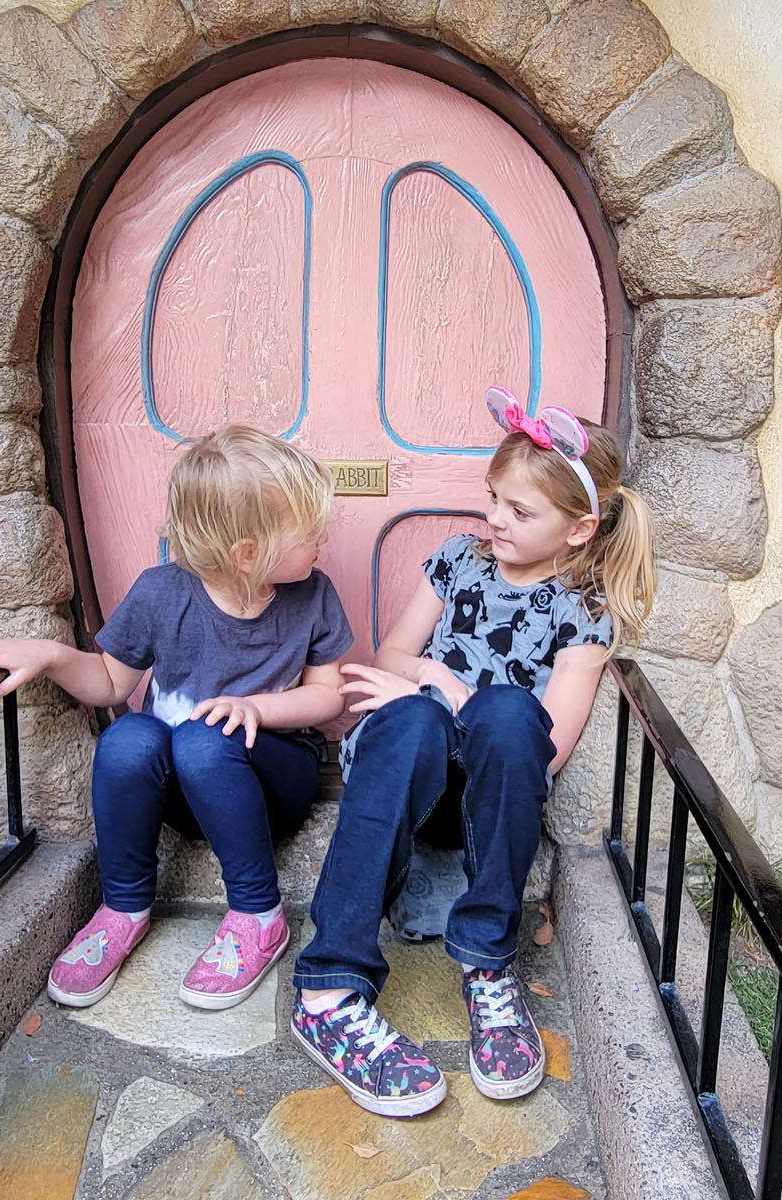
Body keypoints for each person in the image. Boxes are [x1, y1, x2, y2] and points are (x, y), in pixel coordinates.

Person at [289, 388, 657, 1117]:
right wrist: (428, 681)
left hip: (490, 795)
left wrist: (459, 693)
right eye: (494, 499)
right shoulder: (459, 561)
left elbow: (543, 750)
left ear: (580, 529)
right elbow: (392, 656)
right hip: (405, 772)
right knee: (413, 721)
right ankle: (328, 990)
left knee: (507, 712)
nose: (495, 519)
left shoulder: (582, 612)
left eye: (521, 512)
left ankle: (489, 965)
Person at [0, 426, 351, 1012]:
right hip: (183, 792)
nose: (322, 539)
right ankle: (123, 907)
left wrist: (256, 708)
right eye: (308, 531)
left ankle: (257, 914)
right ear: (249, 552)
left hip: (272, 782)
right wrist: (52, 655)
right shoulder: (161, 593)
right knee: (128, 736)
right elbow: (111, 684)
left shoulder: (312, 594)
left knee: (202, 737)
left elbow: (328, 697)